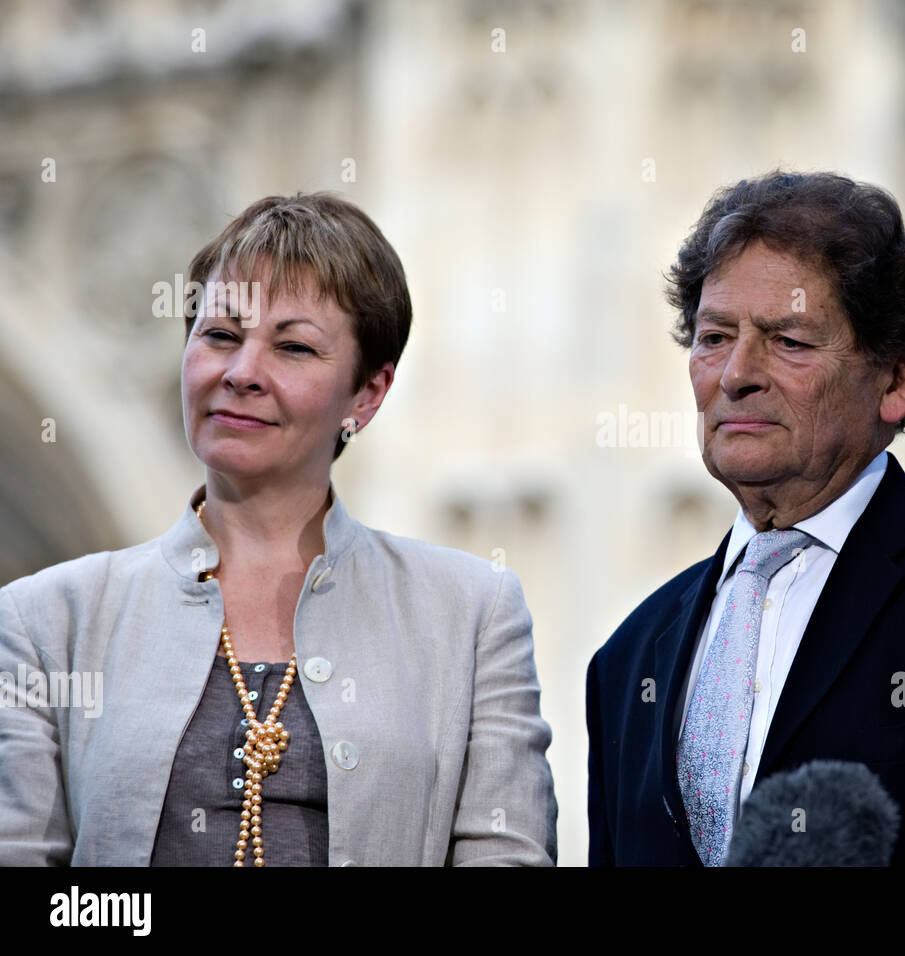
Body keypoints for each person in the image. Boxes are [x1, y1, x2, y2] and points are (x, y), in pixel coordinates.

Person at [0, 192, 557, 866]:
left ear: (367, 393)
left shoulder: (472, 614)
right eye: (220, 336)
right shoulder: (45, 621)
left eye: (293, 347)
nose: (241, 374)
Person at [586, 170, 905, 866]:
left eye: (789, 342)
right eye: (713, 337)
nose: (736, 373)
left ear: (897, 379)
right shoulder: (626, 659)